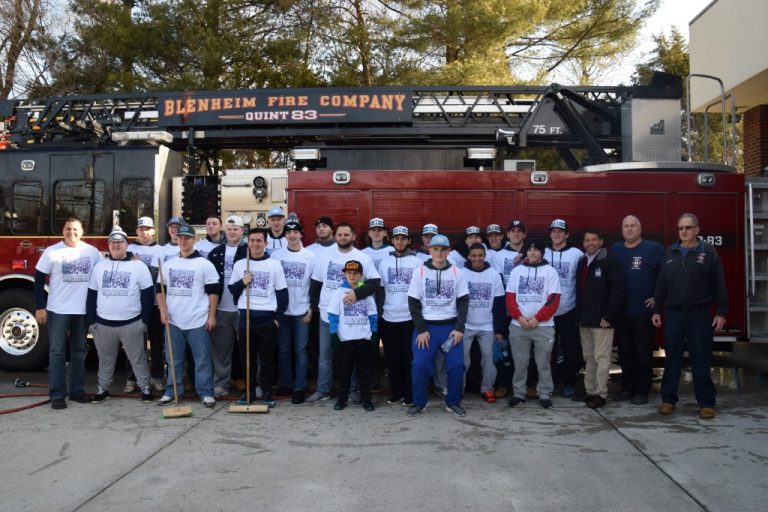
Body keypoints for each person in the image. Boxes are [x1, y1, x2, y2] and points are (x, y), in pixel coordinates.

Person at [652, 213, 727, 420]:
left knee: (700, 359)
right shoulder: (670, 252)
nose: (683, 232)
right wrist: (657, 309)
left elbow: (719, 283)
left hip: (699, 314)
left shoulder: (708, 252)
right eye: (680, 228)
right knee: (672, 359)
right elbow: (661, 285)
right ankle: (668, 400)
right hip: (674, 314)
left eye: (688, 227)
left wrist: (721, 312)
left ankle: (706, 403)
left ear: (697, 229)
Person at [34, 217, 102, 409]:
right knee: (57, 352)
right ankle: (57, 395)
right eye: (68, 229)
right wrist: (40, 306)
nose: (71, 232)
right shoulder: (52, 251)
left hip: (82, 311)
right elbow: (38, 279)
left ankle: (77, 392)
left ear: (82, 231)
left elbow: (106, 269)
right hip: (58, 310)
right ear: (63, 231)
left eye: (75, 229)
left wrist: (131, 258)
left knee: (80, 351)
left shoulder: (92, 252)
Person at [308, 223, 380, 402]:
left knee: (352, 357)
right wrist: (315, 306)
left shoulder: (362, 257)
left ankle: (352, 391)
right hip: (328, 315)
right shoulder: (325, 256)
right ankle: (323, 390)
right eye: (339, 234)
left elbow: (375, 282)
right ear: (335, 235)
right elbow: (316, 284)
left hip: (353, 318)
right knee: (325, 356)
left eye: (346, 235)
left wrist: (357, 293)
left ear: (353, 236)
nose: (342, 238)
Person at [87, 228, 155, 404]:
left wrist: (144, 321)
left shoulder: (138, 266)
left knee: (138, 358)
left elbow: (148, 295)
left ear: (127, 245)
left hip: (132, 323)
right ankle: (103, 389)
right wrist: (91, 322)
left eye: (120, 242)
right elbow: (92, 295)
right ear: (109, 246)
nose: (116, 245)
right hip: (103, 324)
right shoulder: (99, 266)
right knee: (105, 360)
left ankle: (145, 388)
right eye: (112, 243)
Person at [155, 223, 219, 408]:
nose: (183, 241)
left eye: (187, 238)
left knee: (202, 359)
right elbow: (159, 290)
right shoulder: (168, 264)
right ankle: (172, 391)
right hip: (173, 320)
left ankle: (206, 392)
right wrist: (163, 310)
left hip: (198, 320)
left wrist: (212, 316)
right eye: (180, 237)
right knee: (173, 360)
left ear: (194, 239)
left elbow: (214, 292)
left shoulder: (205, 264)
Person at [407, 234, 469, 417]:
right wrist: (421, 329)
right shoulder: (420, 271)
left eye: (443, 249)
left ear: (449, 251)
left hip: (450, 327)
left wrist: (459, 328)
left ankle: (453, 402)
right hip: (427, 328)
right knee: (419, 365)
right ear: (430, 250)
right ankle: (419, 402)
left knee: (456, 365)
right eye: (436, 249)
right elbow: (413, 302)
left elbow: (463, 302)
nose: (439, 253)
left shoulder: (458, 272)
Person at [228, 228, 289, 407]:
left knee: (267, 358)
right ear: (248, 243)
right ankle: (250, 393)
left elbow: (282, 294)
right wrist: (243, 282)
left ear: (265, 243)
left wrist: (277, 318)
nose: (255, 244)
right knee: (247, 358)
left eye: (259, 241)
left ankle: (267, 392)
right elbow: (232, 290)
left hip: (267, 318)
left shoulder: (274, 265)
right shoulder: (241, 265)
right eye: (252, 241)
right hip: (246, 316)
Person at [611, 215, 664, 405]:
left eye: (633, 225)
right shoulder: (616, 249)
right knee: (625, 353)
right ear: (622, 229)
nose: (630, 229)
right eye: (626, 226)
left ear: (640, 228)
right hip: (622, 312)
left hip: (643, 313)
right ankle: (626, 388)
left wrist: (658, 297)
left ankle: (642, 391)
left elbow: (666, 275)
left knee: (643, 354)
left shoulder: (654, 249)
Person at [506, 238, 561, 409]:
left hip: (543, 326)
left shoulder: (550, 272)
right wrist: (520, 317)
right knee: (520, 362)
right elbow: (510, 297)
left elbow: (554, 299)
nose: (532, 253)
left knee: (543, 362)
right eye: (529, 250)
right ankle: (518, 393)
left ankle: (544, 393)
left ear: (542, 253)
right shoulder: (517, 271)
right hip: (518, 325)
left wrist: (537, 318)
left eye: (536, 249)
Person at [576, 228, 624, 409]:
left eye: (594, 240)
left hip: (603, 321)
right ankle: (590, 391)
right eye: (587, 240)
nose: (590, 243)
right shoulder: (582, 262)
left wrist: (609, 316)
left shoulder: (609, 261)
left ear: (601, 241)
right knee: (589, 357)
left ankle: (601, 394)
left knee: (602, 358)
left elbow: (618, 291)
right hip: (585, 320)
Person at [271, 220, 317, 404]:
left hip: (302, 311)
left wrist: (312, 308)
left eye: (295, 232)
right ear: (285, 235)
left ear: (301, 234)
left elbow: (315, 285)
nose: (292, 235)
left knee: (301, 351)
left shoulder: (311, 257)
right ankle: (286, 384)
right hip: (282, 312)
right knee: (283, 350)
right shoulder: (276, 256)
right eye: (288, 232)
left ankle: (299, 387)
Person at [378, 225, 421, 406]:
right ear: (392, 240)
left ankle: (410, 394)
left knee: (409, 358)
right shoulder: (384, 263)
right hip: (389, 318)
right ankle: (397, 392)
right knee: (393, 358)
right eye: (397, 238)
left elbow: (421, 292)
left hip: (410, 319)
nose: (400, 241)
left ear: (409, 241)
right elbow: (379, 290)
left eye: (404, 238)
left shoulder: (417, 263)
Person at [328, 260, 378, 412]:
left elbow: (373, 315)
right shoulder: (338, 292)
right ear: (344, 274)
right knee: (344, 371)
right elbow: (333, 315)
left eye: (356, 273)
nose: (352, 275)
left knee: (364, 371)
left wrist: (374, 333)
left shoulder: (366, 292)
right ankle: (342, 398)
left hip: (363, 338)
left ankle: (366, 399)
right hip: (345, 339)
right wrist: (334, 335)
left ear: (361, 275)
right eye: (349, 273)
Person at [207, 215, 248, 398]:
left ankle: (251, 384)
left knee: (248, 350)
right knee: (221, 352)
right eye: (229, 229)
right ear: (225, 230)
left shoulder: (250, 251)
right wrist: (211, 312)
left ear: (242, 230)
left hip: (244, 309)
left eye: (236, 228)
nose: (232, 232)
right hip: (222, 310)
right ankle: (221, 384)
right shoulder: (214, 254)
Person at [544, 218, 584, 398]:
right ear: (550, 234)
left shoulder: (577, 254)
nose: (557, 234)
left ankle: (569, 383)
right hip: (546, 313)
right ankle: (550, 383)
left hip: (568, 310)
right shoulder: (542, 253)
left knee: (570, 350)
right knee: (548, 351)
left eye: (561, 231)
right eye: (554, 231)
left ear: (567, 234)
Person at [461, 243, 506, 403]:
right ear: (469, 256)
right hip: (465, 325)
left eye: (480, 255)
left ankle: (487, 389)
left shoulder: (494, 275)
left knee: (489, 359)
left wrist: (499, 330)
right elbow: (456, 302)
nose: (477, 258)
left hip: (487, 326)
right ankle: (459, 388)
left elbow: (500, 304)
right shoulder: (461, 274)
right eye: (474, 255)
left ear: (485, 256)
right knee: (462, 359)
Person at [127, 216, 166, 392]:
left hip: (155, 304)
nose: (144, 232)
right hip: (134, 305)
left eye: (147, 229)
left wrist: (140, 266)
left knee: (157, 343)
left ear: (153, 231)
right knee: (135, 344)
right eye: (141, 229)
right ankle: (132, 378)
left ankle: (157, 377)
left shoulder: (161, 250)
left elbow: (157, 278)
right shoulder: (128, 249)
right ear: (136, 231)